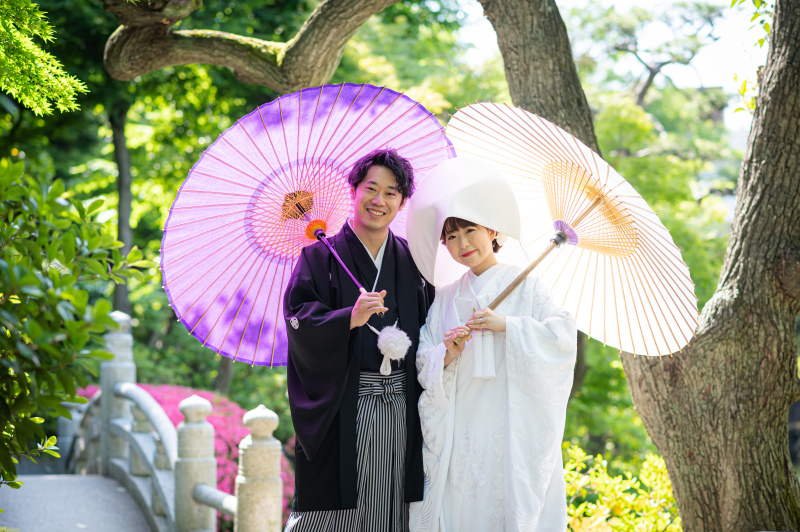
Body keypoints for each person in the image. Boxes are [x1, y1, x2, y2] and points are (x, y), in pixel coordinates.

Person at [407, 161, 577, 532]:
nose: (463, 244)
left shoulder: (526, 285)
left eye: (470, 230)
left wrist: (510, 326)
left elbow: (562, 339)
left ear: (492, 229)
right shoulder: (446, 296)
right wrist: (446, 354)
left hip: (507, 420)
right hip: (460, 421)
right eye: (451, 237)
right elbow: (423, 357)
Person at [283, 148, 435, 532]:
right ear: (354, 189)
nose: (379, 201)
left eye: (391, 192)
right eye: (371, 188)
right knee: (331, 514)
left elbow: (432, 324)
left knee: (390, 511)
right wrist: (347, 318)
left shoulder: (414, 259)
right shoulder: (318, 258)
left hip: (401, 409)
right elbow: (298, 320)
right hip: (343, 410)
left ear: (402, 203)